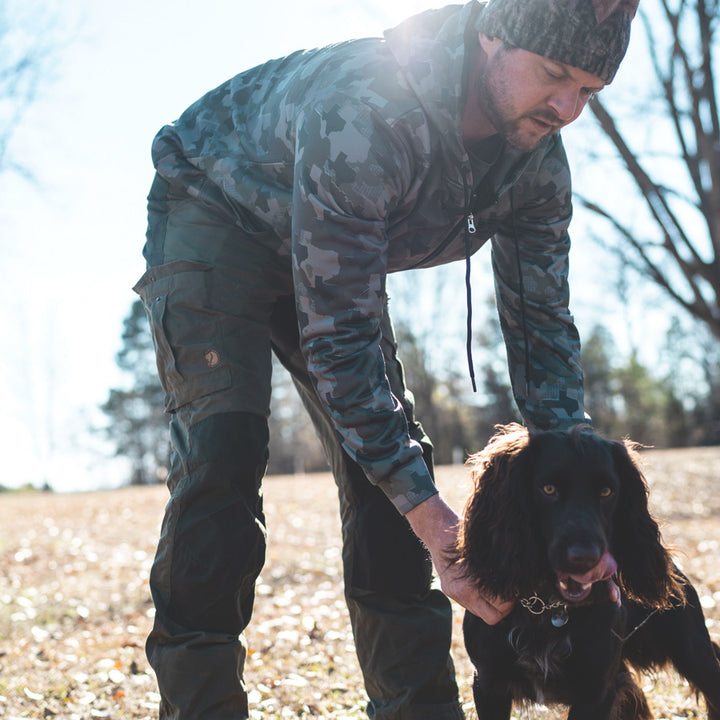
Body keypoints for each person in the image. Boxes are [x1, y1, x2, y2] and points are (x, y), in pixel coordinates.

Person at [134, 0, 638, 717]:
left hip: (335, 256)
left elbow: (544, 331)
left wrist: (590, 494)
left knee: (388, 476)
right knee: (223, 455)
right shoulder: (368, 111)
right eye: (554, 74)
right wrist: (439, 526)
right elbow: (338, 341)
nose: (567, 108)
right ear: (492, 35)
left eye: (589, 91)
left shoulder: (536, 168)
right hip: (218, 213)